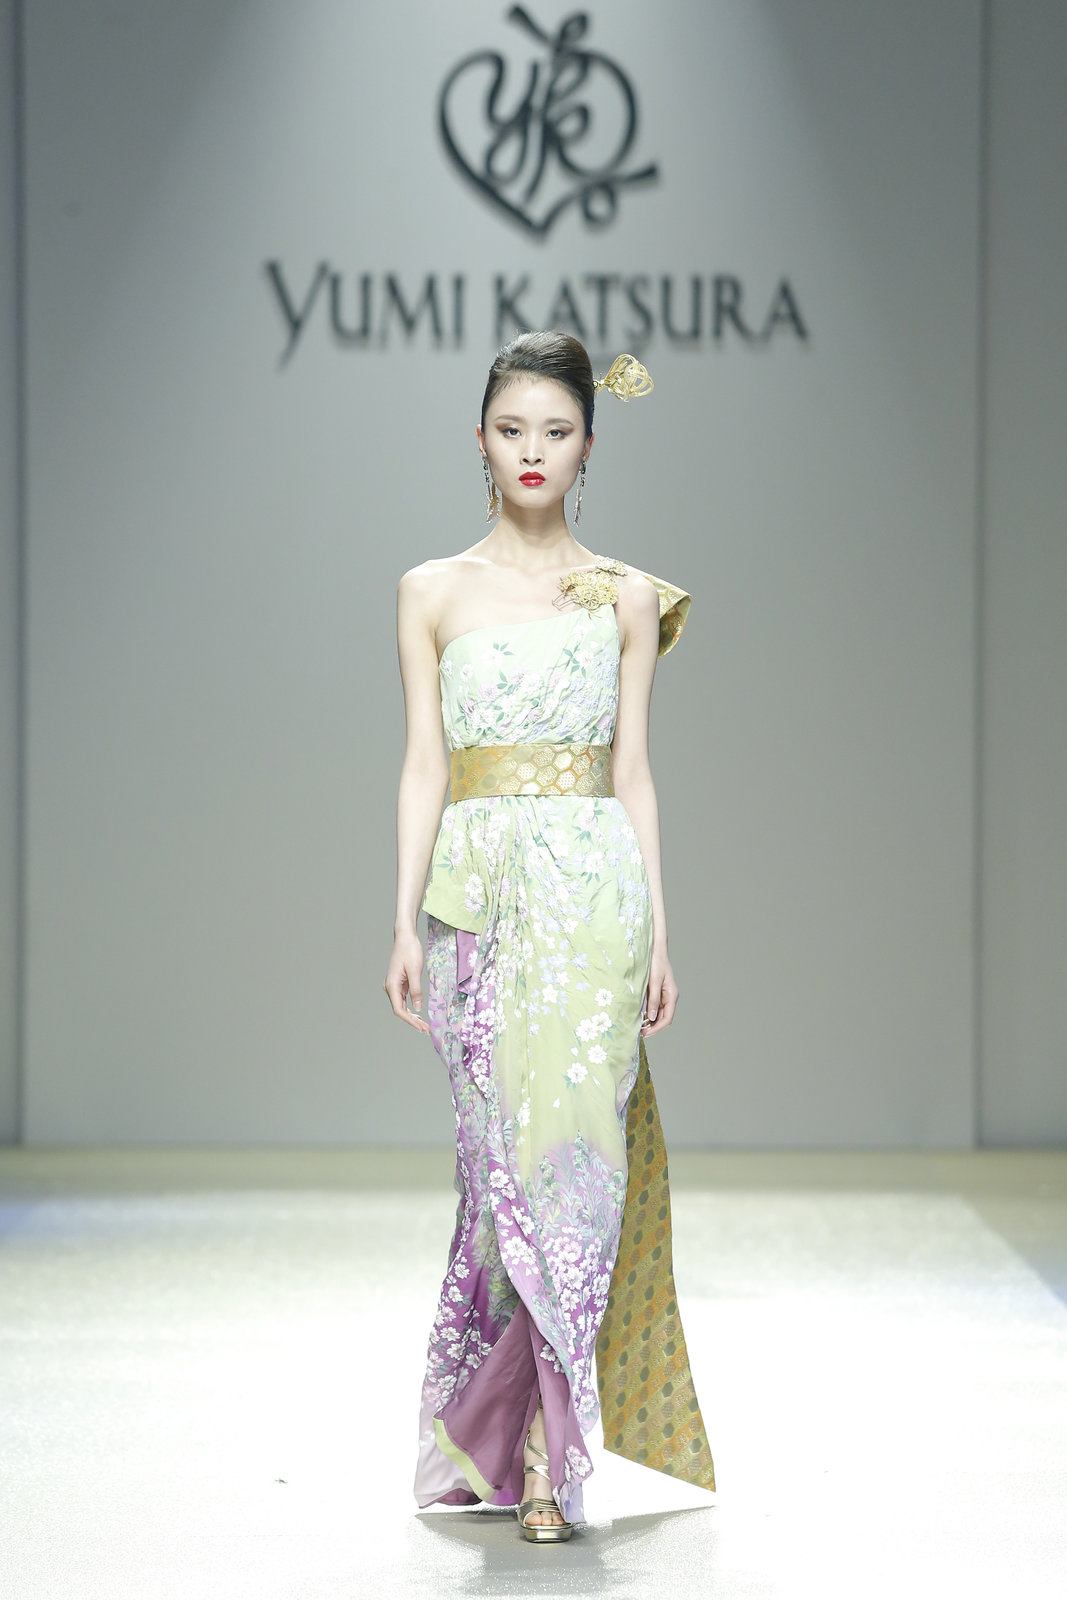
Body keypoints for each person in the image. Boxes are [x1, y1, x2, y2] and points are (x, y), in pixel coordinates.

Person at [384, 332, 715, 1543]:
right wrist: (401, 918)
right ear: (479, 439)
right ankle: (500, 1431)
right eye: (512, 428)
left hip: (592, 900)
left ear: (587, 445)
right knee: (498, 1173)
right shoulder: (431, 590)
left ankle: (541, 1456)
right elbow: (424, 765)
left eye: (556, 431)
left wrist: (659, 932)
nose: (533, 450)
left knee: (575, 1165)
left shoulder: (625, 595)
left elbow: (633, 773)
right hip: (474, 901)